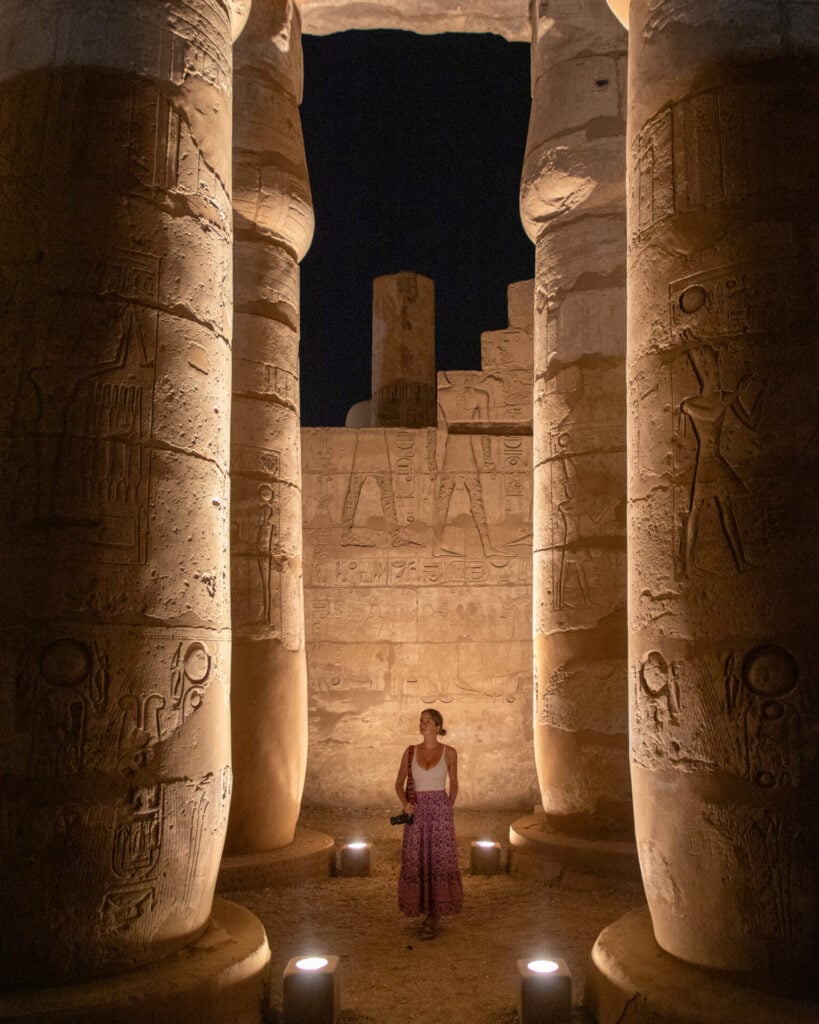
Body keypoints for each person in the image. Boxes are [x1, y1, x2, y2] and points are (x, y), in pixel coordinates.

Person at [394, 708, 463, 939]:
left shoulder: (450, 753)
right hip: (417, 812)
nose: (423, 724)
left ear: (437, 726)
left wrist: (448, 807)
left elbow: (453, 783)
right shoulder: (410, 752)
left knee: (439, 861)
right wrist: (405, 804)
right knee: (417, 858)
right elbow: (398, 784)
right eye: (421, 721)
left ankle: (435, 915)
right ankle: (422, 907)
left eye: (428, 721)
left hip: (440, 812)